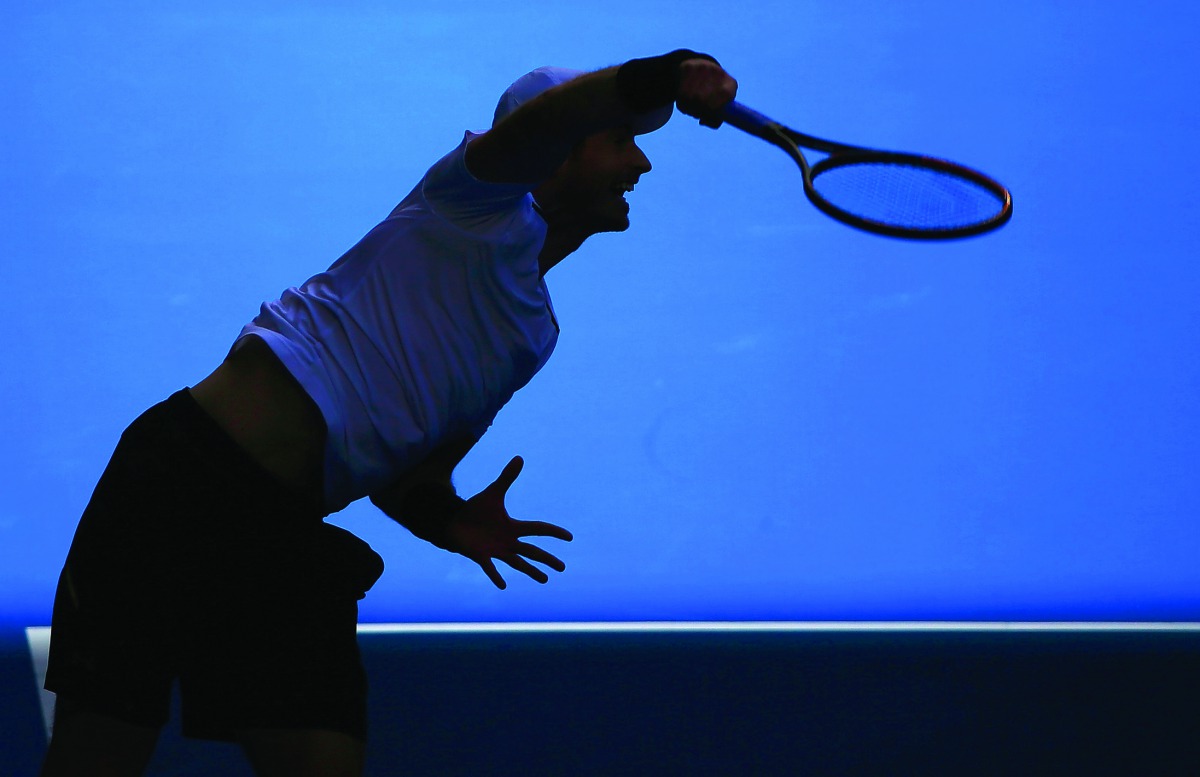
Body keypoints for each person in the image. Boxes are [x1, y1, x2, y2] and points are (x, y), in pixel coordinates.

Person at [39, 50, 738, 777]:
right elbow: (551, 118)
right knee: (99, 755)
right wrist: (668, 74)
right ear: (560, 151)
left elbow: (408, 474)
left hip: (285, 532)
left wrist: (447, 515)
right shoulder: (470, 202)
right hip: (181, 484)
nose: (641, 166)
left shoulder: (534, 335)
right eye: (622, 140)